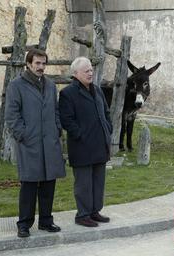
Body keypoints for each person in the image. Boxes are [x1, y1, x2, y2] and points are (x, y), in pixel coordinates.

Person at [5, 48, 66, 238]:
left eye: (43, 63)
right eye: (37, 63)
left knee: (49, 183)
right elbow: (11, 115)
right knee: (29, 185)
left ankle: (46, 221)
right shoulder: (16, 85)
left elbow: (56, 111)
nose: (41, 67)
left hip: (50, 142)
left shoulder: (50, 85)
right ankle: (24, 224)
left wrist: (57, 129)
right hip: (29, 143)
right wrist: (22, 135)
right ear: (28, 64)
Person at [59, 57, 112, 227]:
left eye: (91, 70)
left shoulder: (97, 90)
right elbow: (66, 120)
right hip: (82, 146)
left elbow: (106, 112)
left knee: (98, 181)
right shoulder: (67, 93)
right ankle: (82, 215)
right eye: (86, 71)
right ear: (75, 74)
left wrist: (108, 128)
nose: (90, 73)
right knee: (83, 184)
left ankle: (95, 211)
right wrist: (80, 135)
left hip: (100, 144)